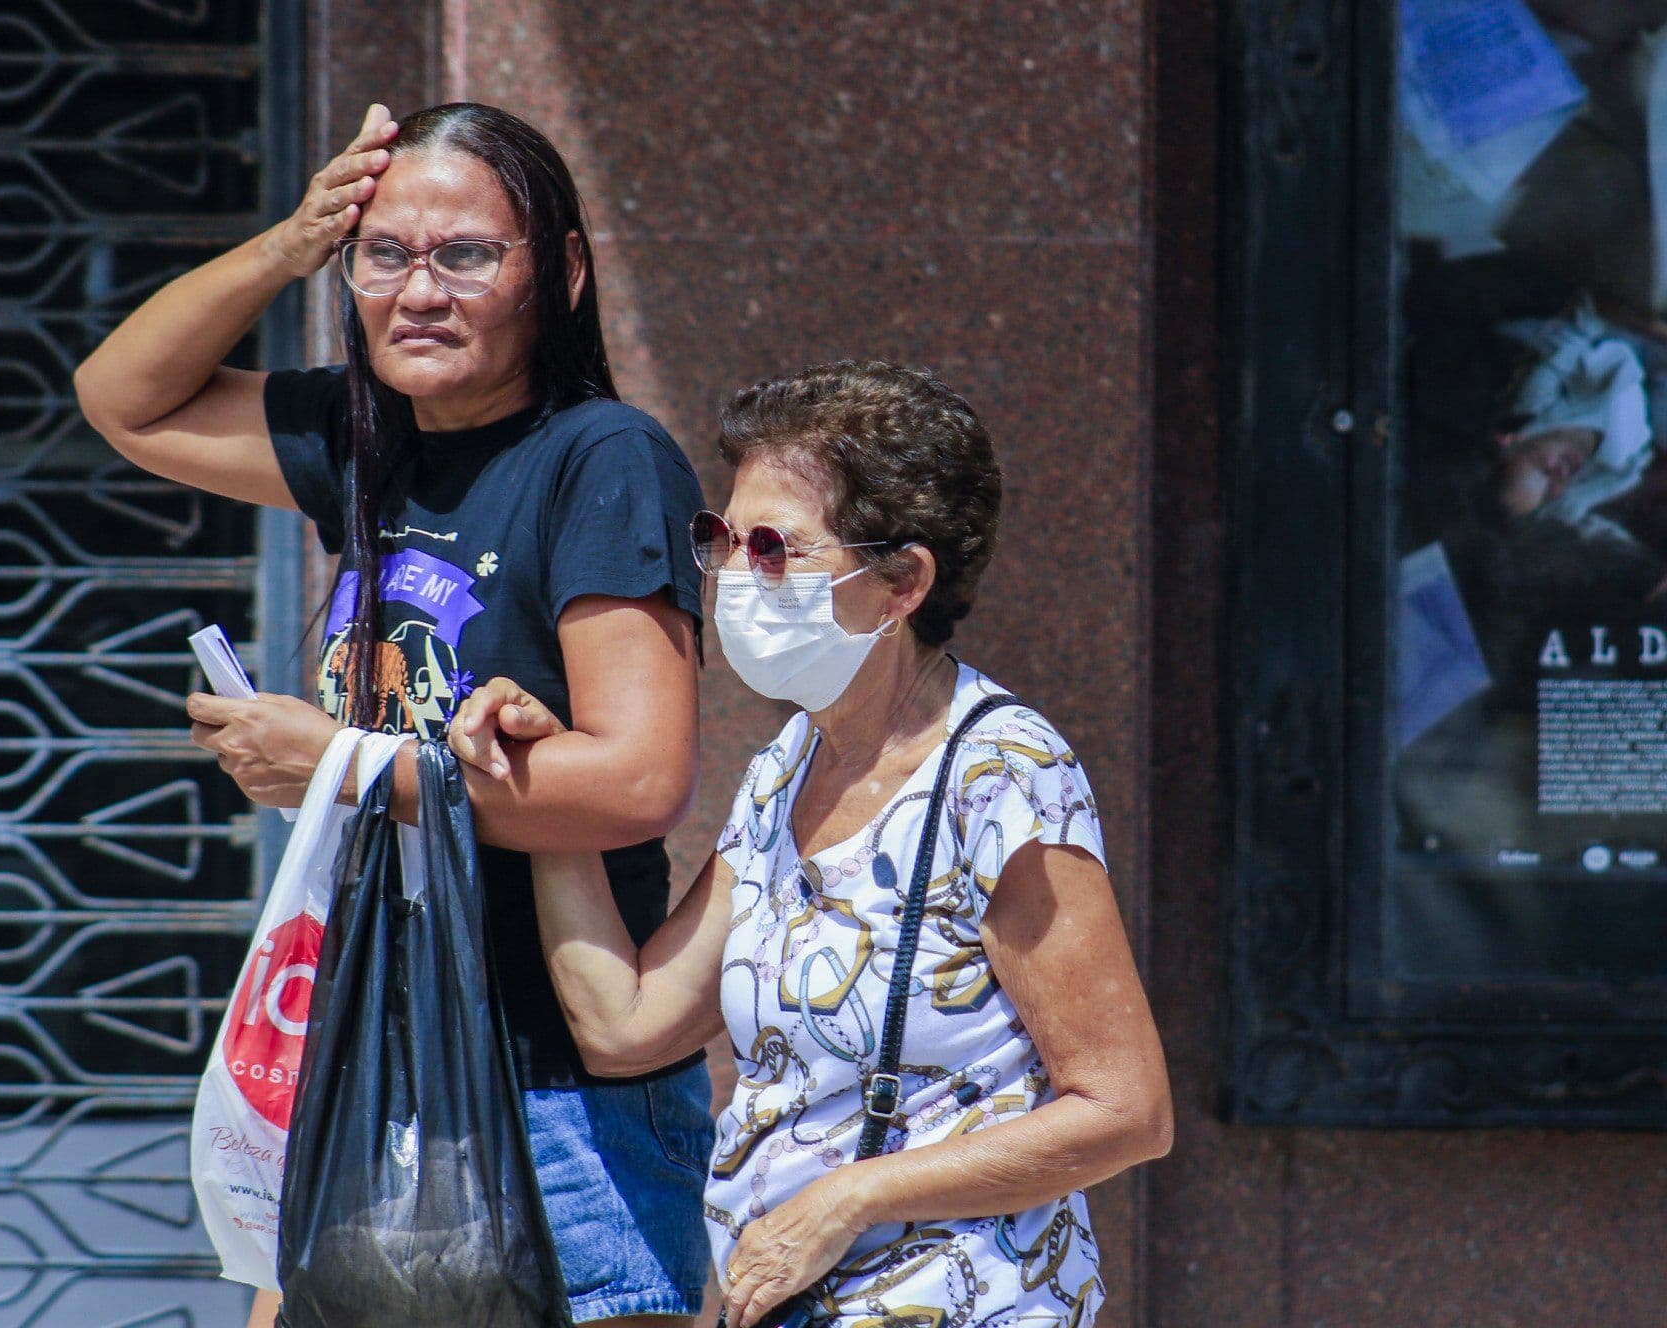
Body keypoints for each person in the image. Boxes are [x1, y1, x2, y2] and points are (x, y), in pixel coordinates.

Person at [74, 101, 714, 1328]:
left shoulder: (604, 457)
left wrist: (347, 763)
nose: (420, 291)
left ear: (563, 275)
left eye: (466, 255)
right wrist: (289, 243)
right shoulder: (364, 441)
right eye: (385, 255)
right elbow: (124, 400)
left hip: (551, 1096)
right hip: (363, 1056)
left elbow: (639, 779)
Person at [450, 361, 1173, 1328]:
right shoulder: (788, 766)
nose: (739, 577)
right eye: (725, 540)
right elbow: (627, 1026)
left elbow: (1125, 1112)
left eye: (776, 548)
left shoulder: (1002, 773)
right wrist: (546, 784)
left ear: (901, 584)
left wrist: (850, 1197)